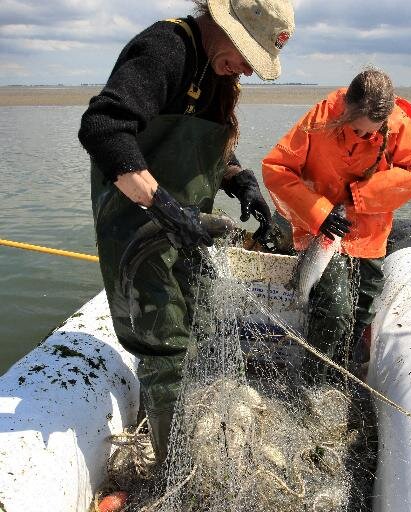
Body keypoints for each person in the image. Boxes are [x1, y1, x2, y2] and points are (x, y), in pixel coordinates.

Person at [78, 0, 295, 462]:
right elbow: (102, 128)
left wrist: (241, 182)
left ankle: (192, 431)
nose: (248, 72)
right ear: (223, 23)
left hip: (188, 227)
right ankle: (174, 467)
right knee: (167, 345)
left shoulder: (215, 71)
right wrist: (164, 207)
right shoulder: (167, 48)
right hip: (139, 228)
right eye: (246, 54)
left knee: (202, 318)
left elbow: (209, 148)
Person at [262, 69, 411, 382]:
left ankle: (340, 368)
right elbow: (276, 168)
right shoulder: (318, 119)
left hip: (370, 229)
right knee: (335, 308)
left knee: (363, 307)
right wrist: (321, 213)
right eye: (356, 129)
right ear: (345, 109)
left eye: (372, 132)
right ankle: (314, 379)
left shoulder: (399, 125)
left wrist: (361, 195)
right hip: (322, 229)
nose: (363, 137)